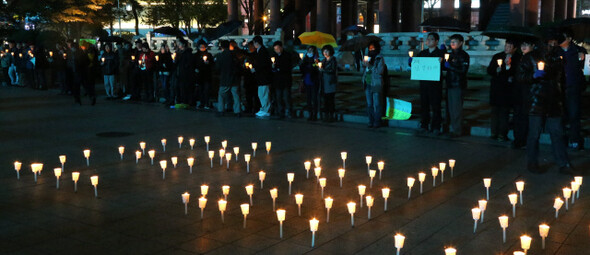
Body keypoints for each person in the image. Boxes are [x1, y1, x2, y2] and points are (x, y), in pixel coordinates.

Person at [517, 38, 575, 175]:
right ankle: (532, 162)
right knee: (534, 134)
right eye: (550, 43)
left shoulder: (557, 57)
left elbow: (562, 79)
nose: (553, 45)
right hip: (536, 100)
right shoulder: (530, 57)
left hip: (554, 101)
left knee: (557, 133)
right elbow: (520, 76)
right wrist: (533, 75)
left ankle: (563, 163)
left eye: (555, 43)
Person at [556, 29, 586, 150]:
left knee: (574, 114)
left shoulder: (578, 51)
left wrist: (582, 59)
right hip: (560, 87)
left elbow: (585, 68)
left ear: (569, 39)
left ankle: (574, 139)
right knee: (561, 115)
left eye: (562, 37)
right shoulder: (555, 51)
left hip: (573, 86)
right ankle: (561, 139)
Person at [410, 32, 445, 135]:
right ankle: (424, 125)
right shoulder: (422, 53)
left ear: (436, 41)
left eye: (431, 39)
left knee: (436, 106)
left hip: (435, 85)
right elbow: (417, 67)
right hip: (424, 84)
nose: (428, 41)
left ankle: (436, 126)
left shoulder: (440, 54)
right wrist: (411, 62)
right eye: (427, 39)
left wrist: (443, 62)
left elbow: (444, 68)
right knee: (424, 105)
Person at [487, 40, 521, 141]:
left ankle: (502, 134)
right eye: (506, 46)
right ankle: (494, 132)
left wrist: (509, 67)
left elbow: (516, 72)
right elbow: (489, 70)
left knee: (504, 112)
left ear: (514, 48)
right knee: (495, 112)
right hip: (497, 88)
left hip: (507, 89)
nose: (507, 48)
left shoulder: (517, 58)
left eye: (509, 46)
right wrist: (496, 70)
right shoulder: (497, 56)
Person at [443, 34, 470, 137]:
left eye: (455, 41)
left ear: (461, 43)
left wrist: (450, 66)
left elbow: (463, 70)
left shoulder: (464, 55)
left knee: (456, 108)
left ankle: (457, 130)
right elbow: (446, 68)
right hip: (450, 83)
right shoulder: (449, 55)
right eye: (451, 41)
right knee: (450, 108)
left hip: (458, 84)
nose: (452, 43)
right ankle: (450, 127)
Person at [362, 41, 387, 128]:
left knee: (377, 104)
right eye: (369, 48)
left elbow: (380, 71)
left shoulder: (379, 58)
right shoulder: (367, 58)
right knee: (369, 104)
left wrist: (370, 66)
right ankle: (370, 120)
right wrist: (364, 65)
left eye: (373, 48)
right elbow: (365, 71)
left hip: (376, 83)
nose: (371, 50)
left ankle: (377, 121)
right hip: (368, 83)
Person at [215, 40, 241, 116]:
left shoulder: (220, 56)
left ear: (221, 46)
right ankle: (237, 111)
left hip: (225, 78)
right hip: (234, 78)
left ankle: (221, 110)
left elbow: (217, 68)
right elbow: (238, 65)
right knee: (236, 95)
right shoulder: (234, 55)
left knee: (221, 95)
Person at [251, 36, 273, 118]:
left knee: (264, 93)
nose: (253, 45)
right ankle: (263, 108)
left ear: (257, 42)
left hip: (264, 76)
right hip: (260, 77)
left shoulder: (263, 51)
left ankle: (266, 110)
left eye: (254, 43)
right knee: (261, 94)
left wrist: (255, 69)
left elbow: (263, 64)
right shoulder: (259, 51)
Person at [271, 41, 294, 119]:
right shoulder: (274, 56)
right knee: (278, 97)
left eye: (277, 48)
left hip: (285, 80)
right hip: (277, 81)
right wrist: (273, 67)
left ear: (281, 47)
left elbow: (288, 67)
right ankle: (281, 112)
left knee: (286, 97)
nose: (276, 50)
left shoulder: (287, 55)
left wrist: (278, 68)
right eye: (275, 49)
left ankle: (289, 111)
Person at [66, 39, 93, 105]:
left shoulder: (74, 54)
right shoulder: (80, 53)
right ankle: (90, 97)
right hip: (81, 72)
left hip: (77, 72)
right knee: (84, 86)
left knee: (78, 87)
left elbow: (71, 63)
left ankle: (79, 99)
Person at [300, 46, 320, 121]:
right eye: (309, 50)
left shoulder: (316, 59)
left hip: (314, 80)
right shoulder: (305, 59)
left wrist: (314, 63)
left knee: (314, 98)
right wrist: (302, 62)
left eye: (312, 50)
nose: (310, 52)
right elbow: (302, 69)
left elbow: (316, 68)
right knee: (308, 98)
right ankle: (310, 113)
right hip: (307, 80)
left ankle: (314, 114)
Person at [174, 39, 195, 108]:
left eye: (180, 44)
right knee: (179, 87)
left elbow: (189, 63)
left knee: (185, 88)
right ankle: (180, 100)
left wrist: (185, 67)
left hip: (185, 74)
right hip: (179, 73)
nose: (178, 45)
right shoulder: (179, 53)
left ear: (183, 45)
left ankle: (186, 101)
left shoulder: (188, 53)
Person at [320, 44, 338, 122]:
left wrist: (323, 70)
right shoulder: (323, 60)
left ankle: (331, 115)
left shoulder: (333, 60)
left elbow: (333, 71)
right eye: (324, 51)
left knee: (330, 99)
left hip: (330, 82)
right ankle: (326, 115)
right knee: (325, 100)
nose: (325, 52)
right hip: (324, 82)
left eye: (327, 51)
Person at [195, 40, 214, 109]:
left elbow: (212, 64)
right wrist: (196, 69)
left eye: (204, 47)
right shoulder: (196, 55)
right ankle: (202, 103)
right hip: (200, 76)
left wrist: (208, 63)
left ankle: (206, 103)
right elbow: (194, 64)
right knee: (201, 90)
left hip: (207, 75)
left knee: (207, 90)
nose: (202, 48)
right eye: (201, 47)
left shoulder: (209, 55)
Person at [243, 42, 260, 114]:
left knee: (255, 95)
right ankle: (249, 108)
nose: (249, 48)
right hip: (247, 78)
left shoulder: (256, 55)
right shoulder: (247, 56)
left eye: (251, 46)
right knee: (248, 95)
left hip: (254, 79)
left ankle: (256, 108)